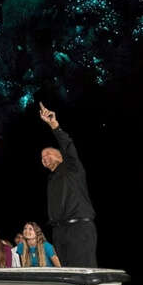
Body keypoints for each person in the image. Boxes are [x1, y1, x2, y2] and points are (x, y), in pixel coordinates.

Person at [39, 102, 98, 267]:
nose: (44, 158)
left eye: (48, 154)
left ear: (60, 156)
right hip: (59, 232)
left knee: (81, 273)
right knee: (66, 275)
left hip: (79, 228)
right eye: (42, 158)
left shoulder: (72, 167)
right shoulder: (51, 179)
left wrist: (53, 125)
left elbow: (68, 146)